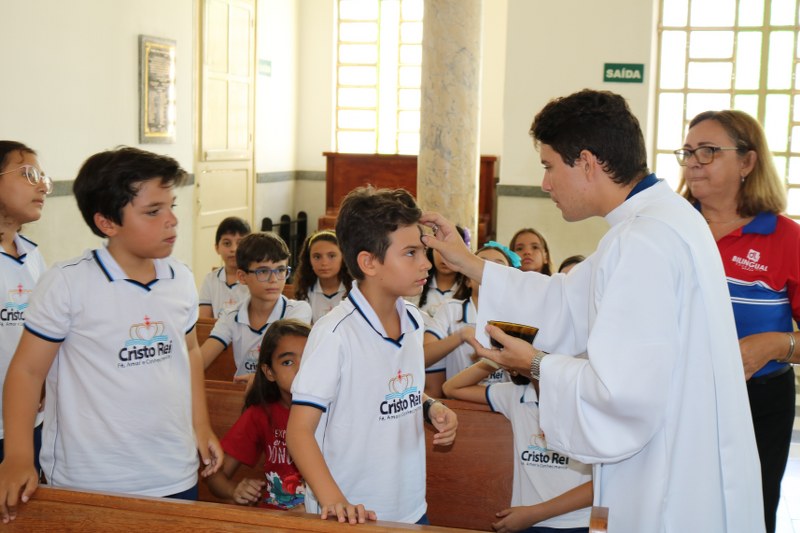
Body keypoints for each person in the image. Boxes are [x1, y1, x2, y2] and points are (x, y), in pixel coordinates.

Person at [420, 89, 765, 532]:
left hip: (666, 478)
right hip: (687, 459)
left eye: (549, 166)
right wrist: (468, 262)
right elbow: (568, 299)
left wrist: (537, 364)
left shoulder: (643, 240)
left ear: (586, 162)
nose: (545, 184)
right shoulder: (659, 220)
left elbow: (622, 392)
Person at [0, 147, 223, 522]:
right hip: (90, 477)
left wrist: (200, 426)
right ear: (107, 223)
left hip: (173, 469)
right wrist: (19, 456)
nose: (171, 220)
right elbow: (27, 371)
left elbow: (190, 353)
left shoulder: (181, 278)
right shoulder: (68, 283)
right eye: (153, 211)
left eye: (171, 206)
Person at [286, 186, 458, 525]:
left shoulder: (413, 320)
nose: (426, 263)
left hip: (409, 505)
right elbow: (299, 431)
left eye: (423, 251)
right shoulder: (335, 334)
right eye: (410, 253)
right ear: (369, 262)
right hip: (351, 512)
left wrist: (429, 407)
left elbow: (391, 387)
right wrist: (335, 500)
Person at [676, 109, 800, 533]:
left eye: (708, 151)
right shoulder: (667, 228)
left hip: (757, 404)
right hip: (675, 397)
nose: (694, 162)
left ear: (747, 162)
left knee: (747, 514)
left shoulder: (786, 238)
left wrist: (776, 344)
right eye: (688, 151)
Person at [443, 361, 592, 533]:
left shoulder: (586, 398)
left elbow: (601, 485)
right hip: (527, 523)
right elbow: (451, 388)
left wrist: (535, 514)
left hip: (576, 522)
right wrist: (497, 359)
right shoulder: (516, 394)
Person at [205, 319, 309, 510]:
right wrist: (234, 490)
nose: (301, 369)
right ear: (269, 372)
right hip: (274, 519)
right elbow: (214, 476)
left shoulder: (336, 412)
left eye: (309, 358)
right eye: (287, 362)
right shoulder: (262, 413)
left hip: (323, 518)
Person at [0, 142, 51, 475]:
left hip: (30, 420)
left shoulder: (32, 255)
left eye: (42, 177)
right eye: (29, 174)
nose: (42, 186)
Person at [201, 232, 311, 381]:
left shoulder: (297, 311)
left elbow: (287, 365)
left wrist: (257, 381)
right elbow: (201, 360)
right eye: (263, 271)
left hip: (281, 393)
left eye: (280, 270)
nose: (274, 279)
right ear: (242, 277)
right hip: (244, 393)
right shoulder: (231, 315)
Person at [424, 242, 519, 397]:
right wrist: (460, 336)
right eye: (481, 264)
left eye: (498, 267)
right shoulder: (451, 310)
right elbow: (422, 357)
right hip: (460, 403)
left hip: (506, 404)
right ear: (467, 280)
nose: (488, 272)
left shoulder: (520, 318)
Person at [293, 230, 352, 324]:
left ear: (343, 258)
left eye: (331, 256)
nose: (324, 263)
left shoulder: (354, 290)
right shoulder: (304, 293)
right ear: (309, 260)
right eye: (317, 257)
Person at [410, 225, 470, 318]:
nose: (444, 256)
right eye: (438, 249)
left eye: (451, 250)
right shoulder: (416, 284)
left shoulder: (469, 289)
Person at [198, 216, 252, 319]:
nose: (234, 249)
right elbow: (205, 322)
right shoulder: (210, 280)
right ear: (217, 248)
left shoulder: (254, 278)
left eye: (240, 243)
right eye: (227, 243)